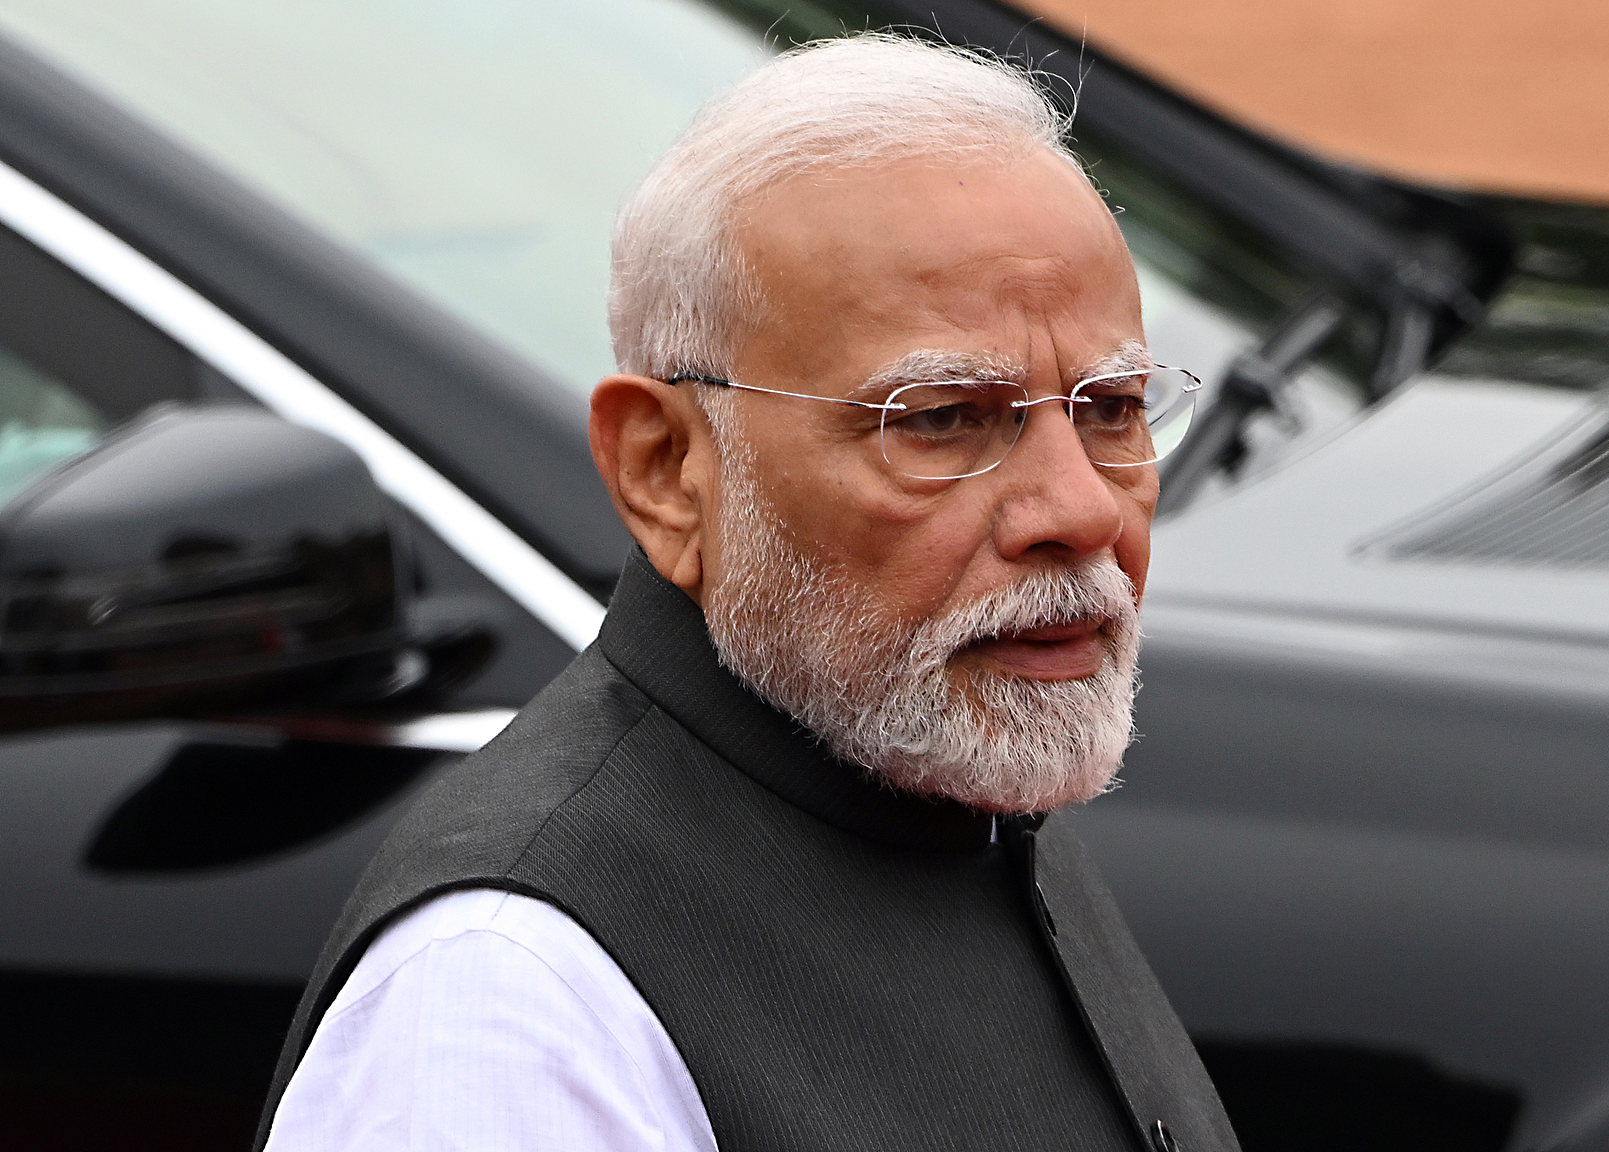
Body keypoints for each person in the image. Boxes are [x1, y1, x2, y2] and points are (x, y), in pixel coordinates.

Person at [258, 32, 1233, 1152]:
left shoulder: (939, 766)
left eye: (1110, 407)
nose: (1080, 510)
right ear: (667, 471)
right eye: (940, 418)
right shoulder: (503, 1010)